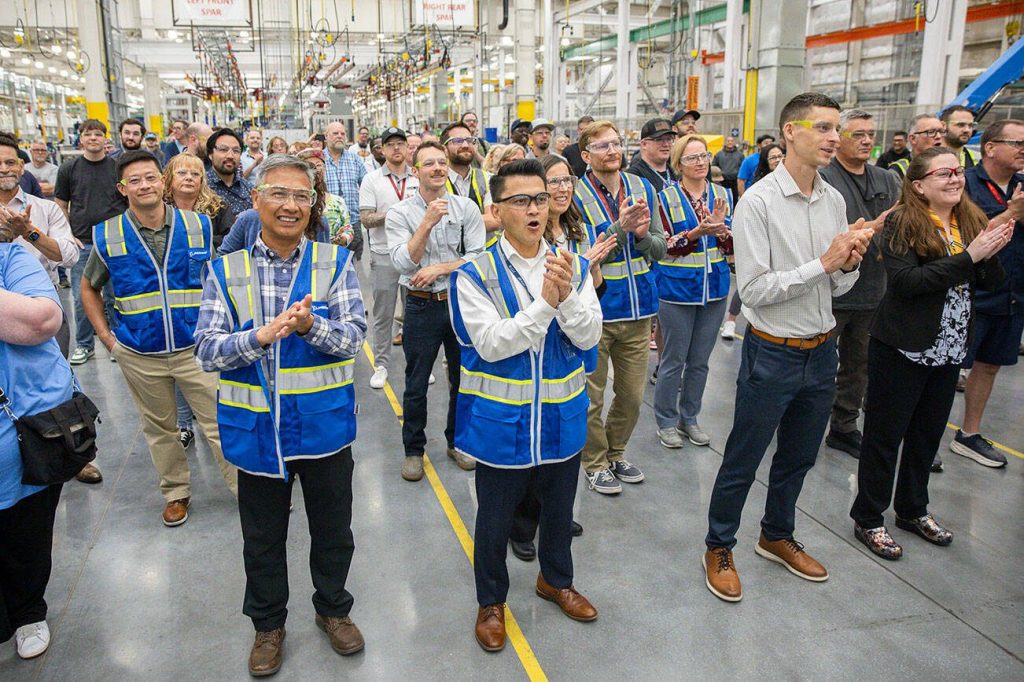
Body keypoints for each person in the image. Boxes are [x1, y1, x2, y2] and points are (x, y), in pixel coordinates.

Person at [194, 154, 368, 676]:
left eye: (302, 196)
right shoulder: (225, 269)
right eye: (279, 193)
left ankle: (333, 609)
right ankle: (268, 625)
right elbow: (206, 349)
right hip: (258, 434)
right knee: (262, 537)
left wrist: (312, 327)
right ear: (256, 200)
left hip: (324, 428)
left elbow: (354, 338)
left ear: (313, 205)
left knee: (334, 530)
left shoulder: (334, 263)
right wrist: (261, 337)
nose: (291, 205)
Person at [702, 93, 872, 603]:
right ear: (791, 132)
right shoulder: (757, 203)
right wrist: (826, 263)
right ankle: (719, 545)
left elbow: (837, 286)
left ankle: (776, 534)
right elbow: (754, 291)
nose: (835, 138)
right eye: (823, 127)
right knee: (744, 458)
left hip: (822, 351)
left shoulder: (833, 200)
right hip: (772, 352)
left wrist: (848, 264)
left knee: (798, 457)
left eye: (837, 128)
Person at [449, 159, 602, 653]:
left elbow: (589, 337)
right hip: (502, 422)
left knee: (559, 511)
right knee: (494, 520)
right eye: (520, 201)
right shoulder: (474, 274)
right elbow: (492, 344)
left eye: (540, 198)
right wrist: (546, 305)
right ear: (496, 211)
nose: (534, 209)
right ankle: (491, 601)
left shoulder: (572, 265)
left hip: (561, 417)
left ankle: (556, 581)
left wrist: (568, 298)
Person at [851, 147, 1011, 560]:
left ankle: (912, 509)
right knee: (885, 437)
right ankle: (868, 516)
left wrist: (988, 254)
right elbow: (907, 282)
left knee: (926, 436)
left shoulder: (969, 219)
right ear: (919, 186)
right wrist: (970, 257)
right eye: (944, 173)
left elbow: (991, 282)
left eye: (958, 171)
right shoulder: (902, 221)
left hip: (949, 347)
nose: (955, 178)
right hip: (903, 347)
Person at [79, 150, 238, 524]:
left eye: (150, 177)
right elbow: (88, 287)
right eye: (134, 180)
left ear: (162, 182)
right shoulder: (109, 234)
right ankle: (176, 492)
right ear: (123, 189)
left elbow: (216, 281)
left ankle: (246, 489)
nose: (144, 185)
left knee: (221, 421)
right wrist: (108, 339)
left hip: (195, 348)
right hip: (140, 352)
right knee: (160, 429)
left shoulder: (198, 225)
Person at [507, 155, 619, 562]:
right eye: (551, 183)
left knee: (562, 440)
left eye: (566, 181)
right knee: (530, 441)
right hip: (536, 344)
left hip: (570, 342)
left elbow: (592, 289)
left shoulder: (577, 230)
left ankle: (555, 515)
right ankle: (524, 524)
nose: (561, 189)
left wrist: (590, 272)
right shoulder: (523, 236)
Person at [575, 120, 667, 495]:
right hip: (596, 311)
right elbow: (584, 255)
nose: (612, 151)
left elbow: (659, 249)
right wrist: (621, 227)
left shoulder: (643, 187)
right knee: (591, 398)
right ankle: (595, 462)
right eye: (602, 146)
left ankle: (615, 452)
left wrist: (642, 235)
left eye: (615, 143)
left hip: (639, 309)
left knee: (631, 396)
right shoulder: (574, 195)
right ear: (586, 155)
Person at [385, 141, 486, 481]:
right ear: (415, 171)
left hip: (459, 304)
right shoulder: (400, 214)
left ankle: (458, 442)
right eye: (429, 163)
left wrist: (441, 268)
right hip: (421, 305)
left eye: (442, 162)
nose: (438, 168)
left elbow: (478, 256)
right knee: (416, 383)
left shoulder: (466, 208)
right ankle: (414, 450)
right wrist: (426, 223)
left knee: (463, 378)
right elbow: (403, 262)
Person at [0, 240, 72, 660]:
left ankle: (29, 611)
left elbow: (41, 321)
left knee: (26, 533)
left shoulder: (10, 258)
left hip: (23, 433)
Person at [819, 110, 900, 459]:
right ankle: (800, 422)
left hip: (872, 291)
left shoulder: (887, 179)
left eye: (871, 134)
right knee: (817, 366)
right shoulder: (823, 179)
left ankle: (844, 427)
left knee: (858, 366)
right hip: (830, 292)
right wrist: (871, 228)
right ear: (839, 139)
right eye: (858, 134)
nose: (867, 141)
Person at [653, 134, 732, 449]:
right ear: (678, 164)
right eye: (691, 158)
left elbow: (731, 246)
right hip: (676, 289)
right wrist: (697, 232)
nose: (700, 162)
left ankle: (690, 418)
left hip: (714, 290)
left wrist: (723, 231)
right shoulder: (665, 198)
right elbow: (664, 246)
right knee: (673, 360)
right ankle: (666, 421)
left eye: (704, 156)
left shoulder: (722, 194)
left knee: (700, 361)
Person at [955, 119, 1024, 468]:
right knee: (948, 369)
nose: (1023, 149)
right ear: (991, 147)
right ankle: (923, 436)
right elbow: (964, 239)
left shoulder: (1022, 184)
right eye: (1017, 142)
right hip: (970, 295)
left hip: (1011, 295)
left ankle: (969, 434)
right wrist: (1012, 213)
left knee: (990, 366)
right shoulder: (964, 184)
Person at [162, 152, 236, 448]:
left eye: (195, 174)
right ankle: (183, 423)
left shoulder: (217, 209)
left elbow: (228, 242)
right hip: (171, 298)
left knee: (209, 361)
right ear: (169, 179)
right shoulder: (159, 212)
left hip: (208, 293)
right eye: (182, 173)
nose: (190, 178)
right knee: (180, 364)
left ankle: (214, 419)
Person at [54, 117, 126, 392]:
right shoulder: (69, 168)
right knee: (81, 296)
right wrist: (66, 233)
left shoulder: (116, 167)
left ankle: (116, 341)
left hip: (113, 241)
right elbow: (61, 203)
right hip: (82, 242)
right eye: (88, 134)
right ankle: (84, 345)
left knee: (116, 295)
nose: (93, 138)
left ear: (106, 139)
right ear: (81, 139)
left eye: (98, 134)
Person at [0, 135, 79, 358]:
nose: (4, 169)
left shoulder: (46, 209)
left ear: (21, 167)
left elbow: (69, 257)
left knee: (53, 371)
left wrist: (30, 233)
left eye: (10, 162)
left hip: (42, 306)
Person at [359, 127, 419, 390]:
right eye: (390, 144)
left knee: (414, 313)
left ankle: (416, 365)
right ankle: (381, 365)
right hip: (384, 254)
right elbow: (366, 218)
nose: (396, 148)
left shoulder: (418, 178)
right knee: (383, 314)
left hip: (414, 255)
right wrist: (395, 213)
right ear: (382, 150)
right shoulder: (372, 180)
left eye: (400, 143)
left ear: (407, 148)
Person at [443, 122, 500, 233]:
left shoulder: (488, 179)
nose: (465, 145)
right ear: (444, 149)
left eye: (470, 140)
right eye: (457, 141)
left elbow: (493, 220)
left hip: (484, 244)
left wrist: (452, 222)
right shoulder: (436, 181)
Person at [324, 121, 367, 260]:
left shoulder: (355, 160)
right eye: (335, 133)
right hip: (326, 225)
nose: (340, 136)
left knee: (353, 265)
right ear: (326, 136)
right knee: (326, 264)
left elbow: (366, 187)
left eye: (342, 133)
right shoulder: (319, 161)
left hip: (353, 223)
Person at [296, 149, 354, 249]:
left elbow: (348, 228)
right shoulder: (297, 201)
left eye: (318, 165)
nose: (316, 170)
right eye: (310, 166)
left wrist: (343, 238)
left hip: (332, 253)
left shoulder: (338, 201)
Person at [205, 128, 253, 217]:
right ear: (210, 154)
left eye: (236, 151)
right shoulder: (201, 187)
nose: (230, 156)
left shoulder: (249, 190)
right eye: (223, 149)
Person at [628, 118, 679, 192]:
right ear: (644, 144)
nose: (666, 144)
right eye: (659, 139)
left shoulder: (676, 173)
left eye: (669, 139)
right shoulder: (633, 176)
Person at [889, 114, 944, 180]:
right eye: (931, 132)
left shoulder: (950, 165)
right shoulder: (898, 171)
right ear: (913, 139)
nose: (938, 136)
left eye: (941, 131)